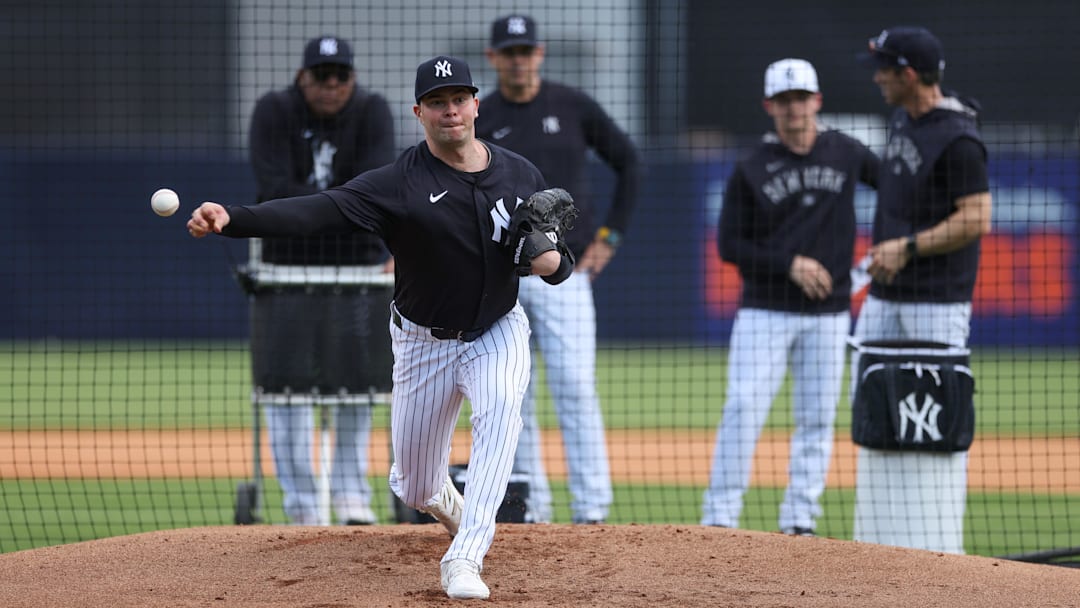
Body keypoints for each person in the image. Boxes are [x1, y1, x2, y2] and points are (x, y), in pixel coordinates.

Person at [188, 55, 574, 600]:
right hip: (422, 343)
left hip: (497, 331)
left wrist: (546, 258)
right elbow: (316, 211)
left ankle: (465, 557)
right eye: (437, 103)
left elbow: (559, 268)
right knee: (415, 484)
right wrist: (234, 219)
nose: (450, 111)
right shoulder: (398, 183)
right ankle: (448, 505)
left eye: (458, 99)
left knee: (501, 415)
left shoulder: (519, 173)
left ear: (475, 105)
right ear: (419, 112)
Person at [700, 59, 879, 535]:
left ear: (817, 100)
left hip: (830, 311)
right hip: (765, 309)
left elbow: (900, 193)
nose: (793, 108)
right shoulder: (752, 165)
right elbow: (729, 245)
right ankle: (719, 518)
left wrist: (888, 244)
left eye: (801, 98)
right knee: (743, 408)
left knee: (818, 418)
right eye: (784, 101)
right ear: (769, 106)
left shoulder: (847, 151)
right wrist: (790, 264)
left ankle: (800, 518)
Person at [476, 14, 641, 525]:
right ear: (494, 57)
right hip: (503, 275)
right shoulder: (482, 113)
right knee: (509, 393)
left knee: (575, 387)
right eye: (509, 51)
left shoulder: (572, 105)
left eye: (526, 50)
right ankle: (530, 506)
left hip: (565, 273)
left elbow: (630, 161)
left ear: (540, 54)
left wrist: (610, 237)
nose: (519, 59)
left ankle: (592, 509)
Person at [852, 26, 992, 553]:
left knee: (939, 416)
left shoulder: (958, 138)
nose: (878, 78)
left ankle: (941, 554)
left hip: (937, 302)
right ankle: (879, 545)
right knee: (871, 408)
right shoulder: (902, 120)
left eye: (884, 68)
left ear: (909, 74)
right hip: (887, 298)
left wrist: (907, 246)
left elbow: (978, 217)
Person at [247, 35, 396, 526]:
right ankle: (303, 508)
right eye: (321, 76)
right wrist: (341, 205)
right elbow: (271, 188)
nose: (331, 85)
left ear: (352, 79)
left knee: (358, 384)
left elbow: (372, 193)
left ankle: (352, 497)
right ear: (301, 77)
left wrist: (308, 208)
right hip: (286, 273)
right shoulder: (273, 110)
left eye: (341, 76)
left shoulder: (373, 111)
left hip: (359, 271)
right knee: (286, 389)